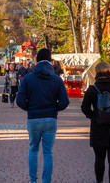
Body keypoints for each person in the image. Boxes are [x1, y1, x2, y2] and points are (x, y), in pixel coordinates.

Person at [16, 49, 70, 183]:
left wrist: (30, 108)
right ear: (51, 62)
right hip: (50, 119)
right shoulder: (56, 79)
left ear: (36, 61)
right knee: (48, 153)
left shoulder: (28, 78)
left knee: (33, 149)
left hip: (34, 118)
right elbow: (65, 102)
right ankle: (46, 181)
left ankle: (33, 180)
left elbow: (19, 100)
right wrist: (54, 108)